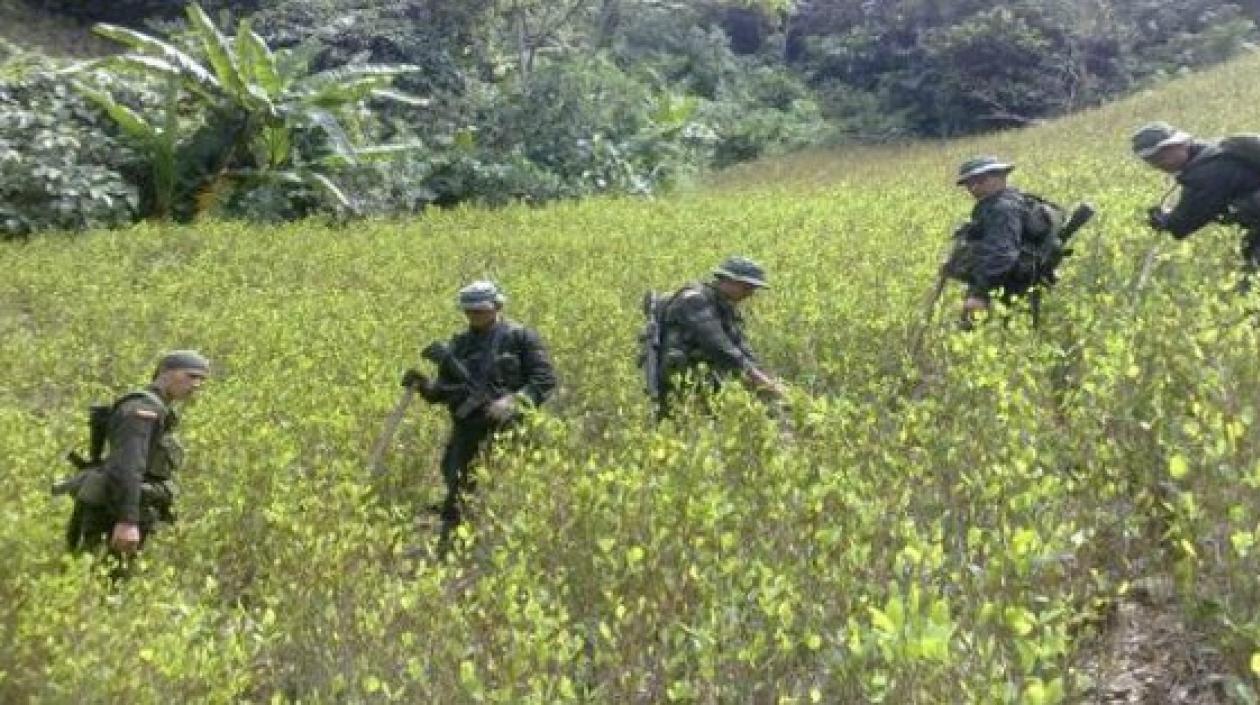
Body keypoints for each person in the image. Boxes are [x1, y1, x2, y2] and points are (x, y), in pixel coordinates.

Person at [402, 281, 556, 541]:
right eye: (469, 311)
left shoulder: (520, 338)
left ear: (498, 306)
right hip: (467, 433)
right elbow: (443, 392)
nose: (474, 316)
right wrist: (424, 386)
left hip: (510, 429)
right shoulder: (459, 345)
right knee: (458, 497)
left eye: (480, 310)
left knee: (510, 497)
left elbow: (544, 379)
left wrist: (513, 401)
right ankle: (454, 554)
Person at [66, 350, 210, 564]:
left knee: (105, 583)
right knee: (97, 584)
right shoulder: (142, 410)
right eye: (191, 376)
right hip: (112, 515)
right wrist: (127, 521)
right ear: (167, 374)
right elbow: (128, 466)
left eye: (201, 379)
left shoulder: (157, 409)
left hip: (121, 510)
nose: (197, 384)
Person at [655, 256, 786, 418]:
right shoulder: (693, 300)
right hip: (680, 381)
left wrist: (764, 377)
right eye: (746, 287)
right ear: (728, 281)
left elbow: (740, 345)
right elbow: (720, 347)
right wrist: (758, 378)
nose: (750, 293)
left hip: (705, 379)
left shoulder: (723, 304)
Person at [1133, 121, 1260, 286]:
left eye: (1161, 156)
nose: (1159, 164)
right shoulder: (1214, 150)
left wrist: (1164, 220)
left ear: (1178, 144)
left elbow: (1183, 224)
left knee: (1251, 291)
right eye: (1151, 160)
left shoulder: (1206, 172)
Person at [949, 156, 1042, 327]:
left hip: (1009, 289)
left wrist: (980, 294)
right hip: (1007, 286)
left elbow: (1001, 254)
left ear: (1001, 177)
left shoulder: (1002, 209)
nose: (974, 187)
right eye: (969, 183)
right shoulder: (1001, 203)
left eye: (981, 180)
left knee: (1005, 339)